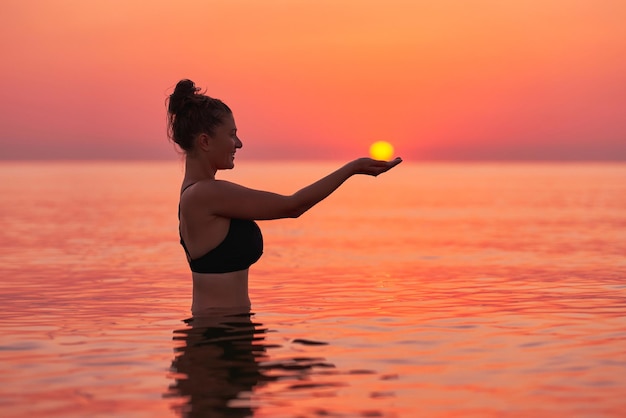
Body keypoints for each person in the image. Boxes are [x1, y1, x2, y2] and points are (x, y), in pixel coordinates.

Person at [167, 79, 402, 315]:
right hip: (216, 337)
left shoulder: (195, 193)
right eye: (232, 134)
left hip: (226, 332)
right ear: (205, 141)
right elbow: (293, 206)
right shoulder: (206, 194)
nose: (239, 143)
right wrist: (352, 168)